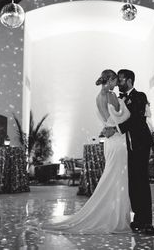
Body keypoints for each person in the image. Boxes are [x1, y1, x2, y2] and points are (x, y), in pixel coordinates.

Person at [44, 69, 131, 234]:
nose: (117, 83)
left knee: (115, 177)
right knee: (117, 177)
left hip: (112, 141)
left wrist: (113, 123)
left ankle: (114, 213)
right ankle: (115, 215)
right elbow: (116, 119)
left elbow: (109, 121)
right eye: (115, 80)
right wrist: (125, 105)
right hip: (118, 140)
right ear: (110, 80)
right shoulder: (110, 96)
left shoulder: (101, 97)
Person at [117, 69, 154, 236]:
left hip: (140, 144)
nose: (119, 82)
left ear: (130, 81)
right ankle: (138, 218)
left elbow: (137, 118)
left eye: (121, 79)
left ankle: (147, 222)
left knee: (141, 181)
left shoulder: (140, 96)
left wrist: (117, 128)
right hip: (127, 146)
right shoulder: (119, 99)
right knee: (133, 182)